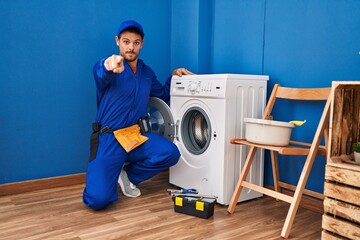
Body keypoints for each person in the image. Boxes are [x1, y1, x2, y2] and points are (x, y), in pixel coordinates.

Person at [83, 20, 194, 210]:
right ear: (117, 41)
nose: (131, 47)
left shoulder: (146, 73)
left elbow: (162, 94)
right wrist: (109, 65)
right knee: (98, 201)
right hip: (109, 139)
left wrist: (174, 76)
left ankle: (128, 175)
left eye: (136, 42)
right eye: (126, 42)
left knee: (170, 153)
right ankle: (110, 173)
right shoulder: (109, 67)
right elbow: (102, 71)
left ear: (141, 44)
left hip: (134, 136)